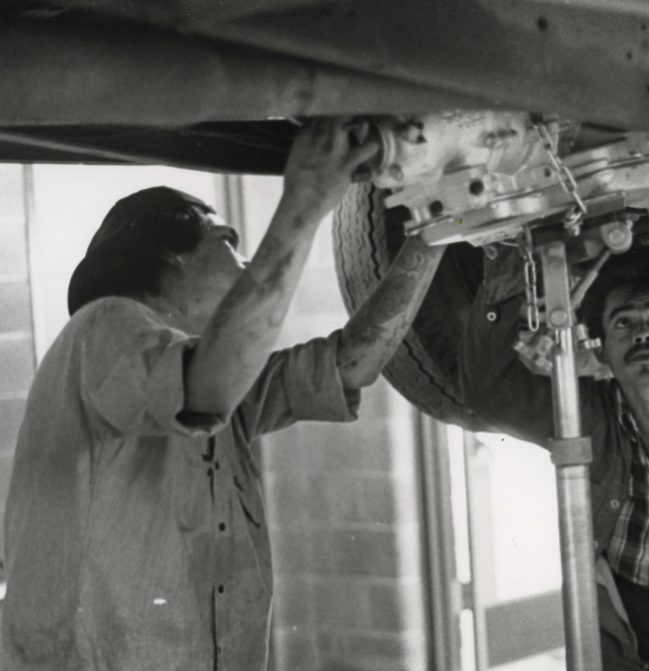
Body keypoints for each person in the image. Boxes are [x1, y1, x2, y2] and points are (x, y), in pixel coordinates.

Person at [1, 119, 447, 671]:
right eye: (226, 242)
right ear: (172, 258)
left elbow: (352, 363)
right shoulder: (104, 327)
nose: (242, 261)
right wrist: (305, 200)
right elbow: (210, 383)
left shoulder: (206, 373)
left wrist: (434, 232)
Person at [459, 243, 649, 670]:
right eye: (623, 324)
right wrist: (503, 274)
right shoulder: (585, 415)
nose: (643, 334)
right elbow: (489, 395)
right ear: (601, 353)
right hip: (625, 636)